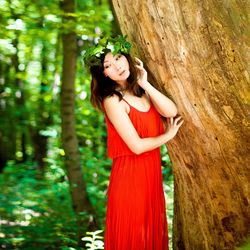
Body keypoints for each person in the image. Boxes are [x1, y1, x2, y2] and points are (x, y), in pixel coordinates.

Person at [83, 35, 184, 250]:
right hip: (129, 182)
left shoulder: (142, 91)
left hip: (152, 179)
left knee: (151, 238)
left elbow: (171, 111)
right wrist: (168, 135)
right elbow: (136, 146)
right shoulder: (113, 101)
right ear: (105, 74)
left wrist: (145, 83)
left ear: (127, 58)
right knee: (133, 239)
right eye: (109, 65)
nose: (117, 66)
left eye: (118, 58)